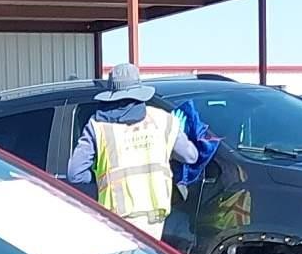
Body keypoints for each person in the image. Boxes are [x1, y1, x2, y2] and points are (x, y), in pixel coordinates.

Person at [64, 64, 200, 239]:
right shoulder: (163, 120)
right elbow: (191, 156)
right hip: (155, 215)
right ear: (139, 91)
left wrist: (101, 174)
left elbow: (75, 173)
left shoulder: (97, 125)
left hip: (115, 217)